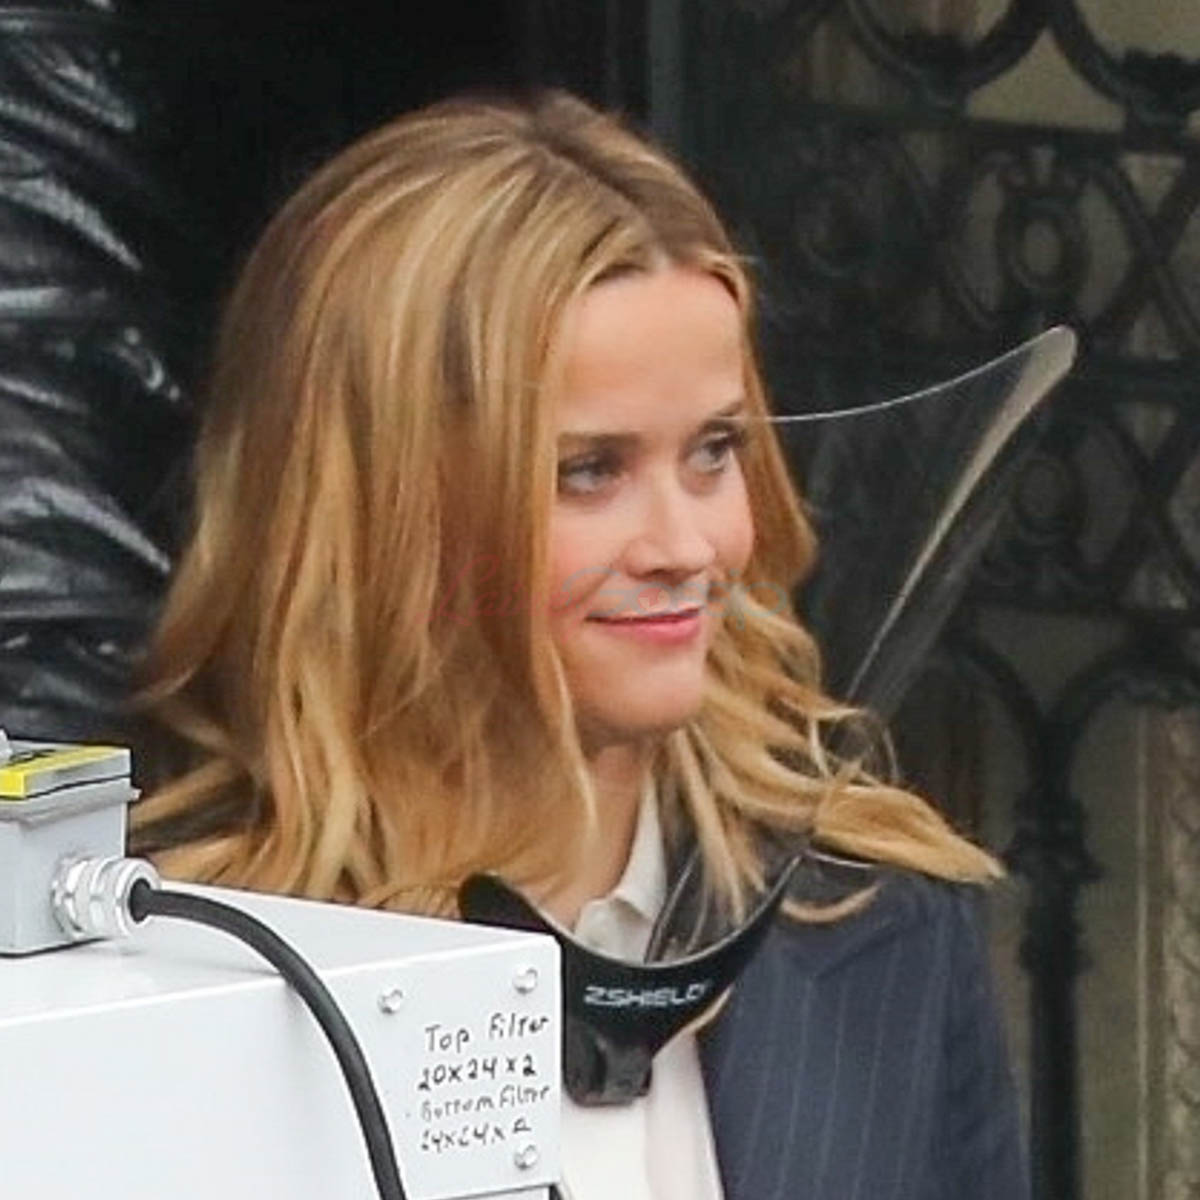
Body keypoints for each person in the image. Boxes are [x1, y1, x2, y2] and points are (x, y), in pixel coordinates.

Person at [131, 91, 1027, 1200]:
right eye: (589, 471)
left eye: (714, 451)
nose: (686, 546)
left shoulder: (878, 922)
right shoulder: (170, 988)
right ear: (380, 515)